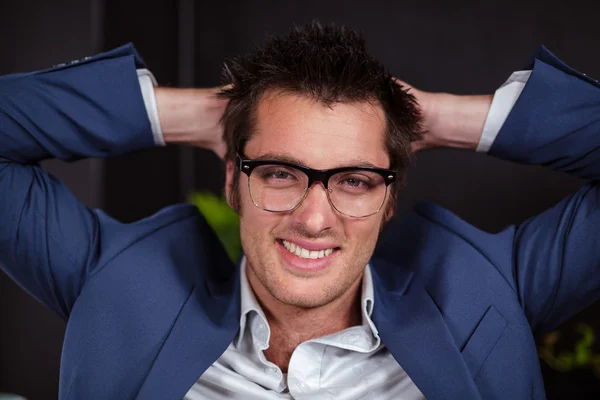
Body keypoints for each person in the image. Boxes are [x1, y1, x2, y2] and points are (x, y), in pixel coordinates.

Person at [0, 22, 598, 400]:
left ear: (389, 197)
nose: (314, 219)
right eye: (281, 173)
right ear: (233, 180)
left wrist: (438, 117)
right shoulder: (118, 281)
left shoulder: (491, 289)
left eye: (356, 180)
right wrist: (185, 112)